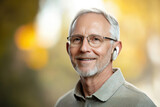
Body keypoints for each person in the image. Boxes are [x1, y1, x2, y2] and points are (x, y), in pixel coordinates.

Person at [55, 8, 156, 107]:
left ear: (115, 48)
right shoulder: (63, 103)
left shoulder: (139, 104)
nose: (84, 48)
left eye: (95, 39)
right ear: (68, 49)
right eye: (77, 39)